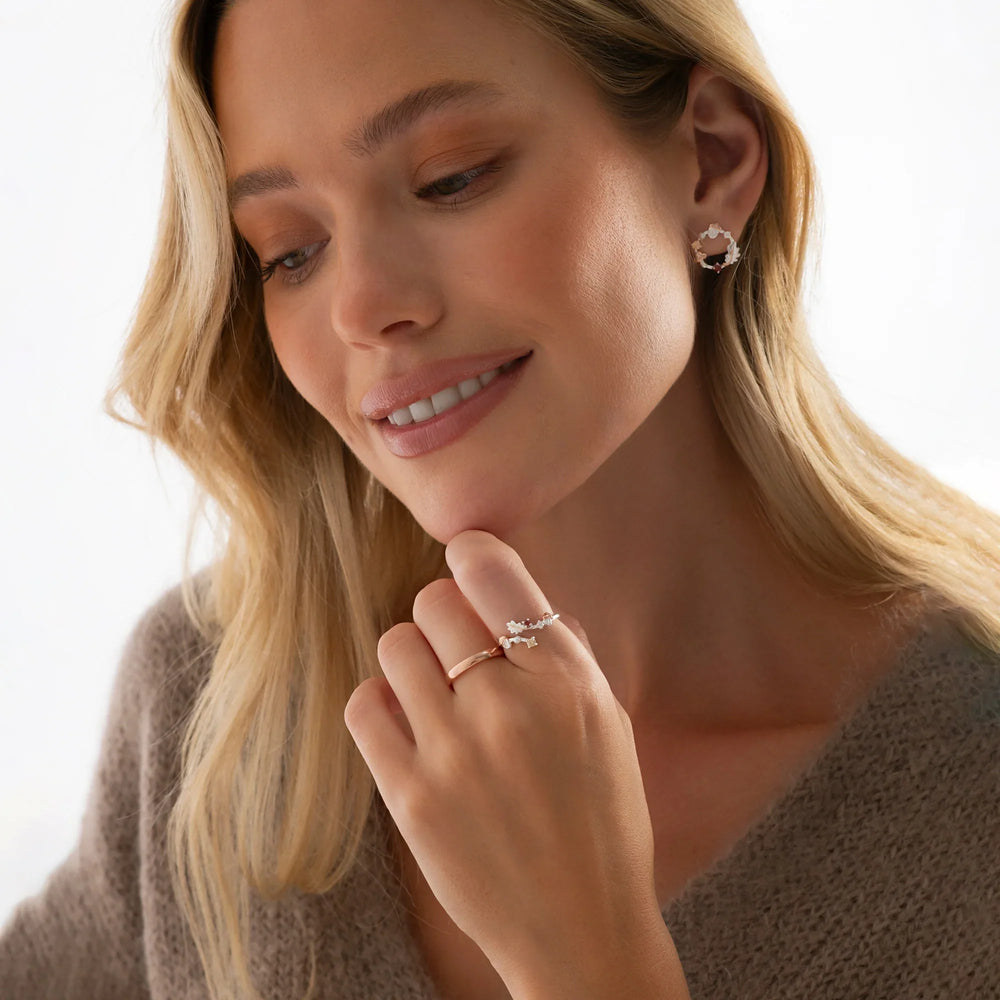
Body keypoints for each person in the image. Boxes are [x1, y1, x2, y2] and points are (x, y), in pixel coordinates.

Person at [3, 0, 999, 997]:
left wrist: (590, 958)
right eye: (289, 250)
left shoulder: (969, 791)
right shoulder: (217, 712)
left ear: (711, 159)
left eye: (451, 178)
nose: (361, 309)